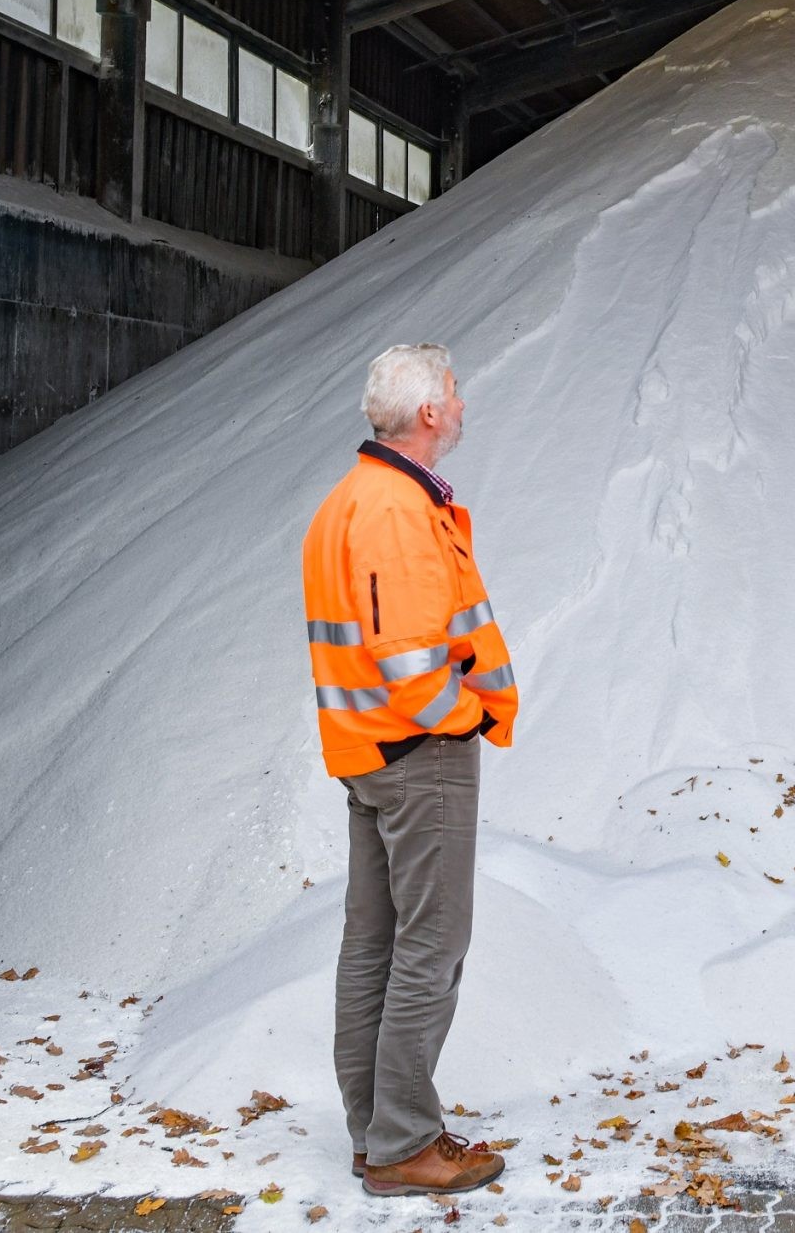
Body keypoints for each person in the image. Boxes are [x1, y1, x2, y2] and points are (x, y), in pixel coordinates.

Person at [301, 342, 520, 1197]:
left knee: (374, 945)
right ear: (428, 412)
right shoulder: (396, 510)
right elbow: (411, 661)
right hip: (419, 755)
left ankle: (376, 1135)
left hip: (368, 753)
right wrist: (468, 717)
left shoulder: (351, 499)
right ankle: (401, 1145)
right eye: (454, 394)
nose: (461, 406)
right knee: (432, 944)